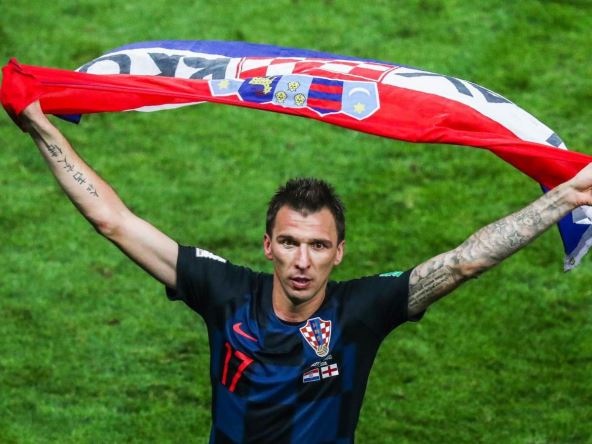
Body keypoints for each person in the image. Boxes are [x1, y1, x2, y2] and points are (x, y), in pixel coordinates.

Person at [11, 101, 592, 443]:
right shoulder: (224, 292)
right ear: (268, 245)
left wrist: (565, 196)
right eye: (289, 243)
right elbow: (113, 220)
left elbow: (465, 261)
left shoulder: (362, 312)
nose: (302, 261)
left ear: (339, 253)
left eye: (318, 246)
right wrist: (41, 126)